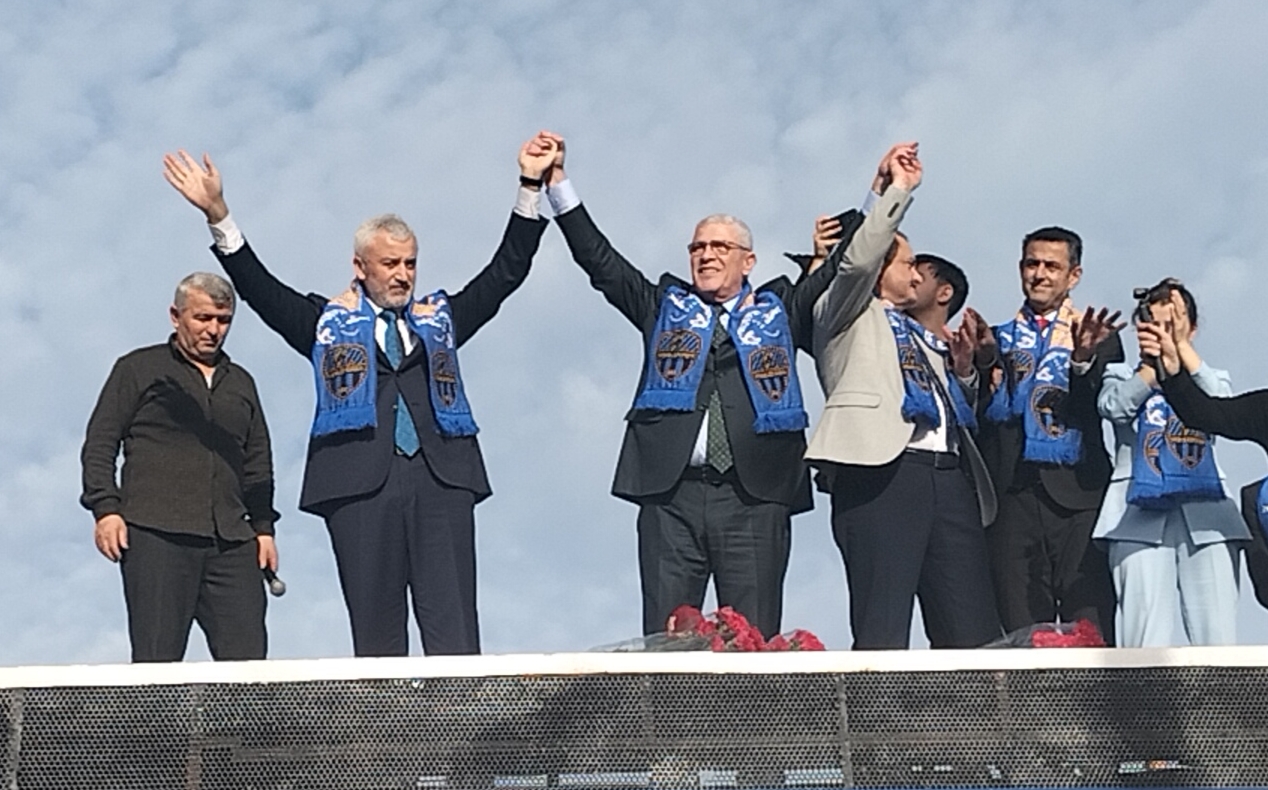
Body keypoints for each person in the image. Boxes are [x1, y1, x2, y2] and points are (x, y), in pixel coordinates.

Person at [161, 139, 554, 656]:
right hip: (359, 488)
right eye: (390, 263)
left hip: (442, 481)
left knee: (455, 633)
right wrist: (218, 214)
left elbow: (505, 273)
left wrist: (529, 186)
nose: (403, 274)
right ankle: (386, 713)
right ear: (360, 265)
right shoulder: (324, 323)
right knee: (376, 637)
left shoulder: (440, 319)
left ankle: (461, 710)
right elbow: (260, 288)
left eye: (410, 263)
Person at [534, 131, 835, 639]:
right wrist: (557, 183)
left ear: (748, 260)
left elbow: (848, 271)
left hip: (754, 495)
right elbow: (600, 262)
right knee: (667, 641)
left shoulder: (780, 309)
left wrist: (883, 195)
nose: (706, 255)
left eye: (720, 246)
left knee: (753, 640)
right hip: (671, 495)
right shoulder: (663, 307)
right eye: (697, 246)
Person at [805, 143, 1002, 650]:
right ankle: (877, 706)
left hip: (950, 476)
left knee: (973, 632)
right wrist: (894, 192)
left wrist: (964, 372)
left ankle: (975, 704)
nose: (917, 275)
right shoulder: (844, 312)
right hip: (882, 474)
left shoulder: (923, 335)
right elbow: (855, 263)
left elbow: (954, 405)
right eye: (909, 263)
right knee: (883, 627)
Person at [81, 273, 278, 662]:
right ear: (176, 316)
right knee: (157, 661)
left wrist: (263, 529)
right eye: (203, 318)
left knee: (249, 665)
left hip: (232, 539)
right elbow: (101, 443)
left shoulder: (241, 383)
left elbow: (258, 461)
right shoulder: (138, 368)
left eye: (223, 320)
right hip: (156, 533)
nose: (213, 330)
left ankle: (243, 710)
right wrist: (106, 509)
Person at [977, 226, 1124, 644]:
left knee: (1090, 622)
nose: (1039, 274)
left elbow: (1098, 404)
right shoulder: (997, 339)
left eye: (1051, 266)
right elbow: (979, 413)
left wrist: (1081, 360)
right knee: (1022, 629)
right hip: (1012, 495)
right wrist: (979, 366)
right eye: (1032, 264)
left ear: (1073, 275)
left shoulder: (1099, 338)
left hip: (1079, 493)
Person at [1092, 284, 1248, 646]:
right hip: (1135, 517)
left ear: (1191, 329)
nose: (1162, 334)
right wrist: (1152, 369)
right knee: (1143, 639)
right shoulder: (1121, 375)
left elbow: (1224, 409)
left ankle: (1220, 691)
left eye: (1171, 326)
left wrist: (1181, 355)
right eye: (1154, 326)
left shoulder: (1211, 377)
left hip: (1207, 518)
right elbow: (1114, 408)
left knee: (1217, 639)